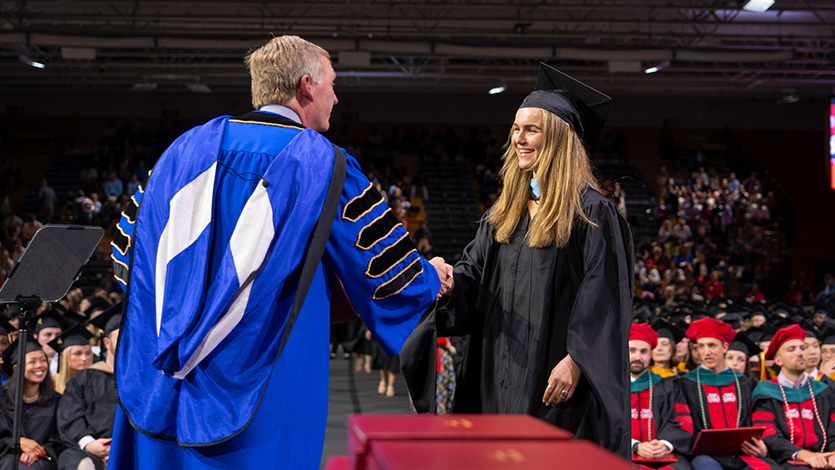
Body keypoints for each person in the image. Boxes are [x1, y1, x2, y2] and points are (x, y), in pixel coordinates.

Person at [108, 35, 452, 470]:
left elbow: (129, 256)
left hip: (162, 373)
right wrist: (428, 276)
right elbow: (379, 268)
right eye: (331, 83)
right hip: (265, 367)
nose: (336, 96)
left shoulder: (182, 151)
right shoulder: (325, 165)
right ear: (307, 86)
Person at [403, 63, 634, 458]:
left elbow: (606, 298)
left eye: (531, 129)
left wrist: (579, 361)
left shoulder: (591, 213)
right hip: (498, 368)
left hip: (555, 376)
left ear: (559, 139)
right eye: (515, 129)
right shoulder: (503, 213)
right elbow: (473, 277)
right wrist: (449, 283)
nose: (518, 139)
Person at [676, 318, 767, 470]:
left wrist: (762, 446)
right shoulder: (686, 384)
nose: (706, 352)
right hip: (704, 456)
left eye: (712, 345)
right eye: (701, 346)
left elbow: (756, 422)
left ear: (725, 347)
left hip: (743, 454)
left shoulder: (744, 383)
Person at [751, 324, 835, 469]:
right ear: (778, 360)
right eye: (792, 349)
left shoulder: (823, 391)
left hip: (824, 460)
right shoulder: (766, 392)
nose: (801, 353)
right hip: (784, 461)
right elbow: (770, 435)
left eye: (802, 348)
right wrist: (801, 454)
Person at [56, 311, 121, 470]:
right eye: (120, 337)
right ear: (107, 343)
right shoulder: (84, 377)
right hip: (88, 449)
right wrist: (89, 444)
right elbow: (71, 415)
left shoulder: (142, 379)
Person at [629, 324, 693, 469]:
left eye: (644, 351)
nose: (638, 357)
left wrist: (665, 444)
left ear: (650, 355)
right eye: (632, 350)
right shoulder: (612, 388)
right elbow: (605, 427)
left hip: (662, 456)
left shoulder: (668, 387)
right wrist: (634, 445)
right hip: (622, 453)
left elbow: (683, 420)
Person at [0, 337, 62, 469]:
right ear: (16, 368)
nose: (39, 365)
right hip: (6, 459)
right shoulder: (2, 399)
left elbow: (59, 441)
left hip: (43, 461)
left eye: (43, 360)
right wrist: (17, 443)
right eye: (32, 362)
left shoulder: (56, 400)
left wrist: (38, 452)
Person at [49, 326, 94, 394]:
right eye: (77, 354)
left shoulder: (96, 382)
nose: (84, 358)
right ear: (63, 355)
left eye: (88, 353)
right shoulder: (52, 383)